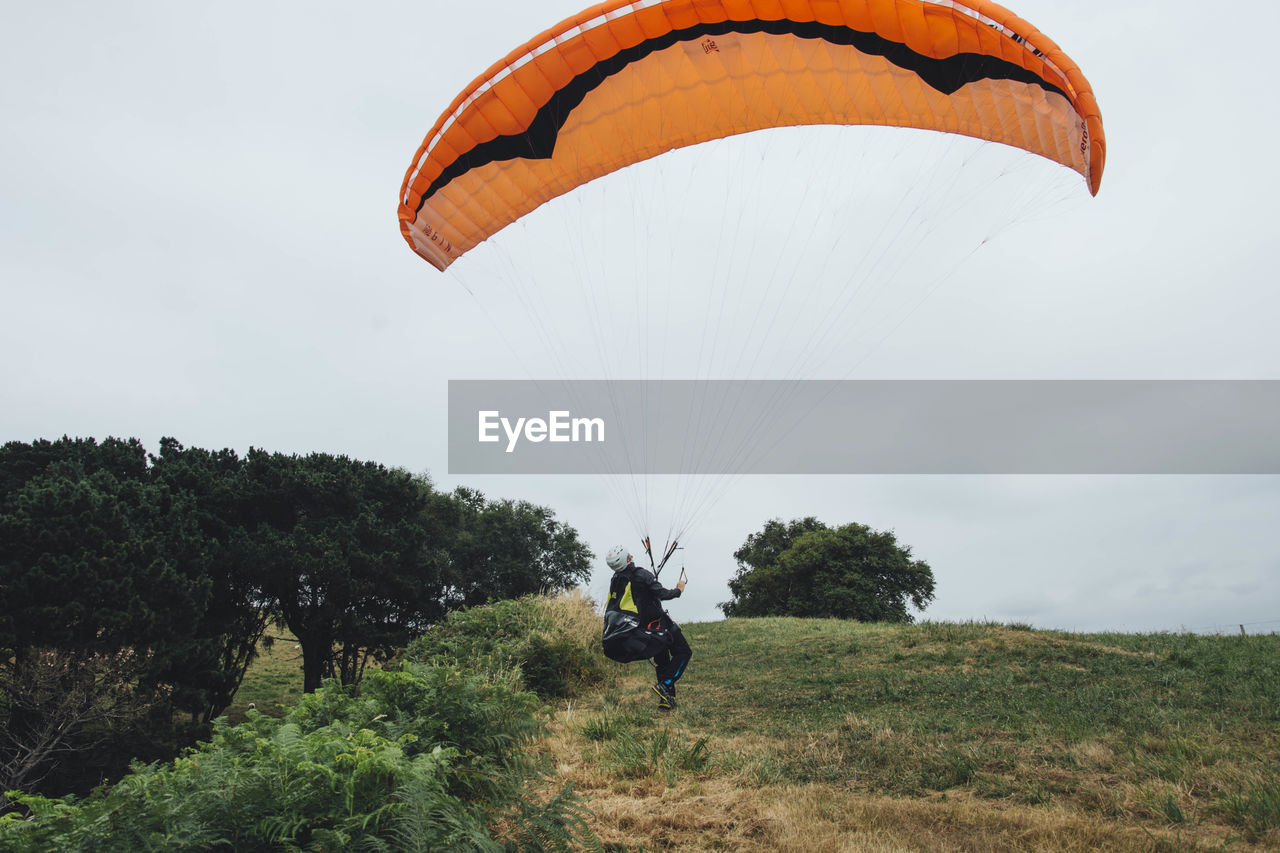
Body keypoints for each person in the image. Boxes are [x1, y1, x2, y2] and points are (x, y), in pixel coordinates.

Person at [601, 545, 691, 710]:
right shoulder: (642, 575)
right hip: (659, 624)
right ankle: (665, 684)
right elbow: (663, 594)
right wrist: (679, 590)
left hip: (642, 630)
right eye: (628, 554)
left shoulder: (616, 579)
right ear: (627, 559)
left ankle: (666, 701)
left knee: (662, 660)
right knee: (684, 652)